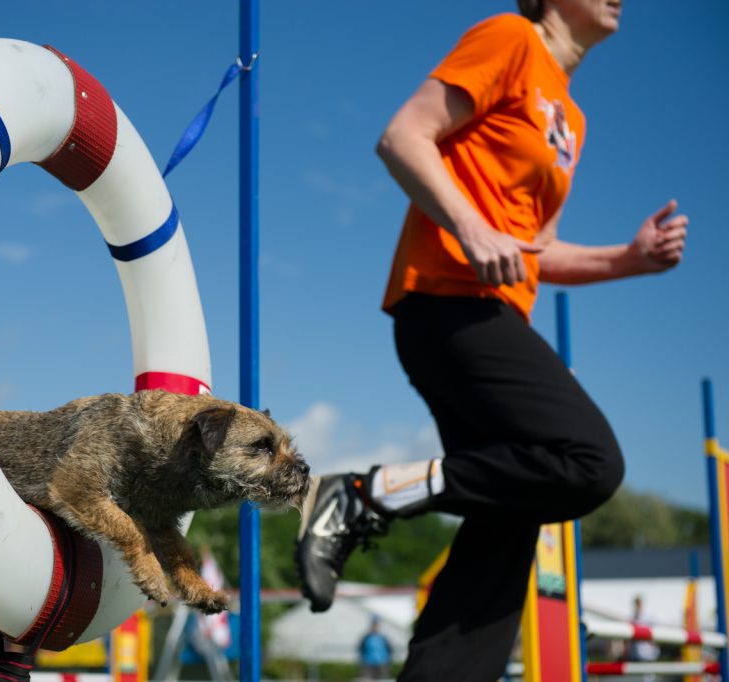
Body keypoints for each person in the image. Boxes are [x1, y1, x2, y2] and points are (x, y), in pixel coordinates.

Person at [294, 1, 688, 680]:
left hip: (494, 311)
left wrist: (628, 259)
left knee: (502, 540)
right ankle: (367, 494)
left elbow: (536, 251)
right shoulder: (508, 39)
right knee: (587, 460)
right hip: (448, 305)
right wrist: (471, 229)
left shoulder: (572, 116)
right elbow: (404, 137)